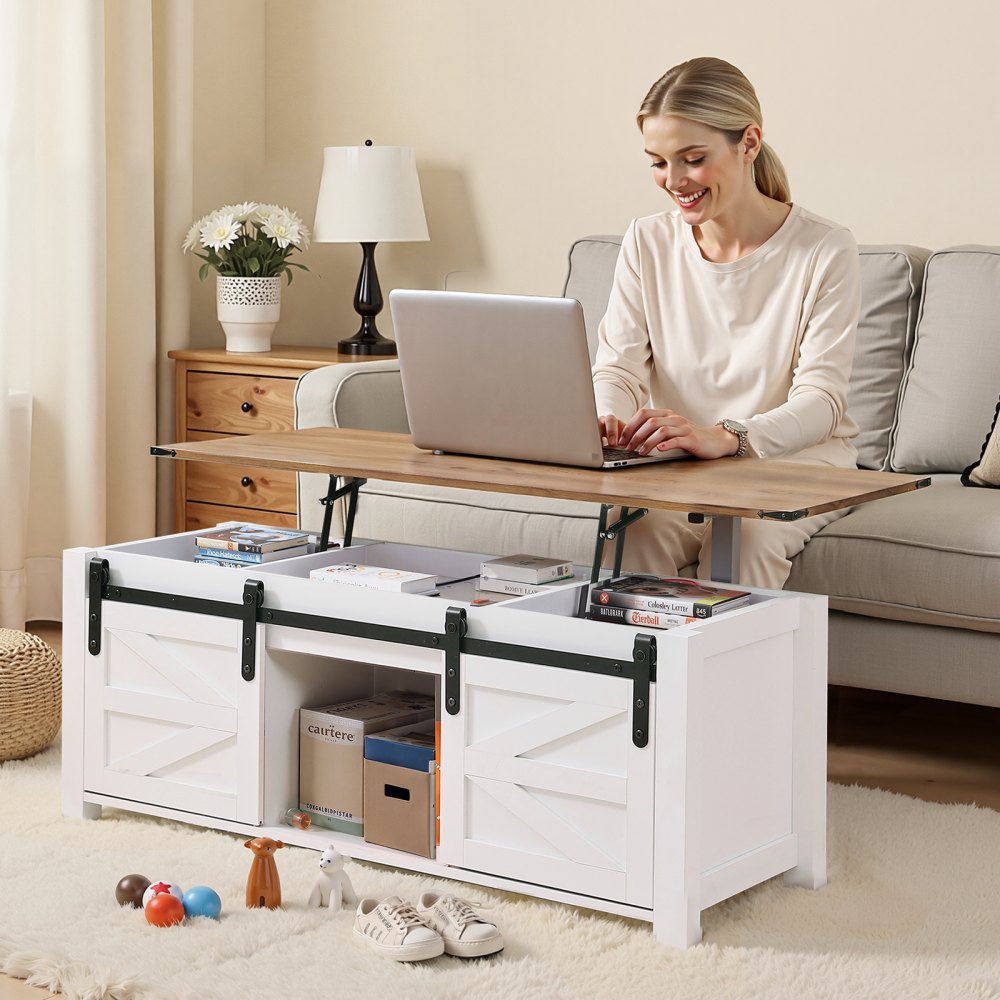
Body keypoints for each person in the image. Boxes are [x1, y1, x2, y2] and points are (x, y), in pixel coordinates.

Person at [593, 56, 861, 589]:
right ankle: (634, 673)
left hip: (793, 463)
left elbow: (823, 400)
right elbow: (619, 370)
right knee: (628, 527)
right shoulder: (648, 240)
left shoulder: (824, 248)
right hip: (676, 464)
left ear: (749, 143)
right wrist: (605, 423)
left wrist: (730, 437)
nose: (674, 181)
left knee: (744, 534)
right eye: (657, 162)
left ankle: (735, 675)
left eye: (692, 159)